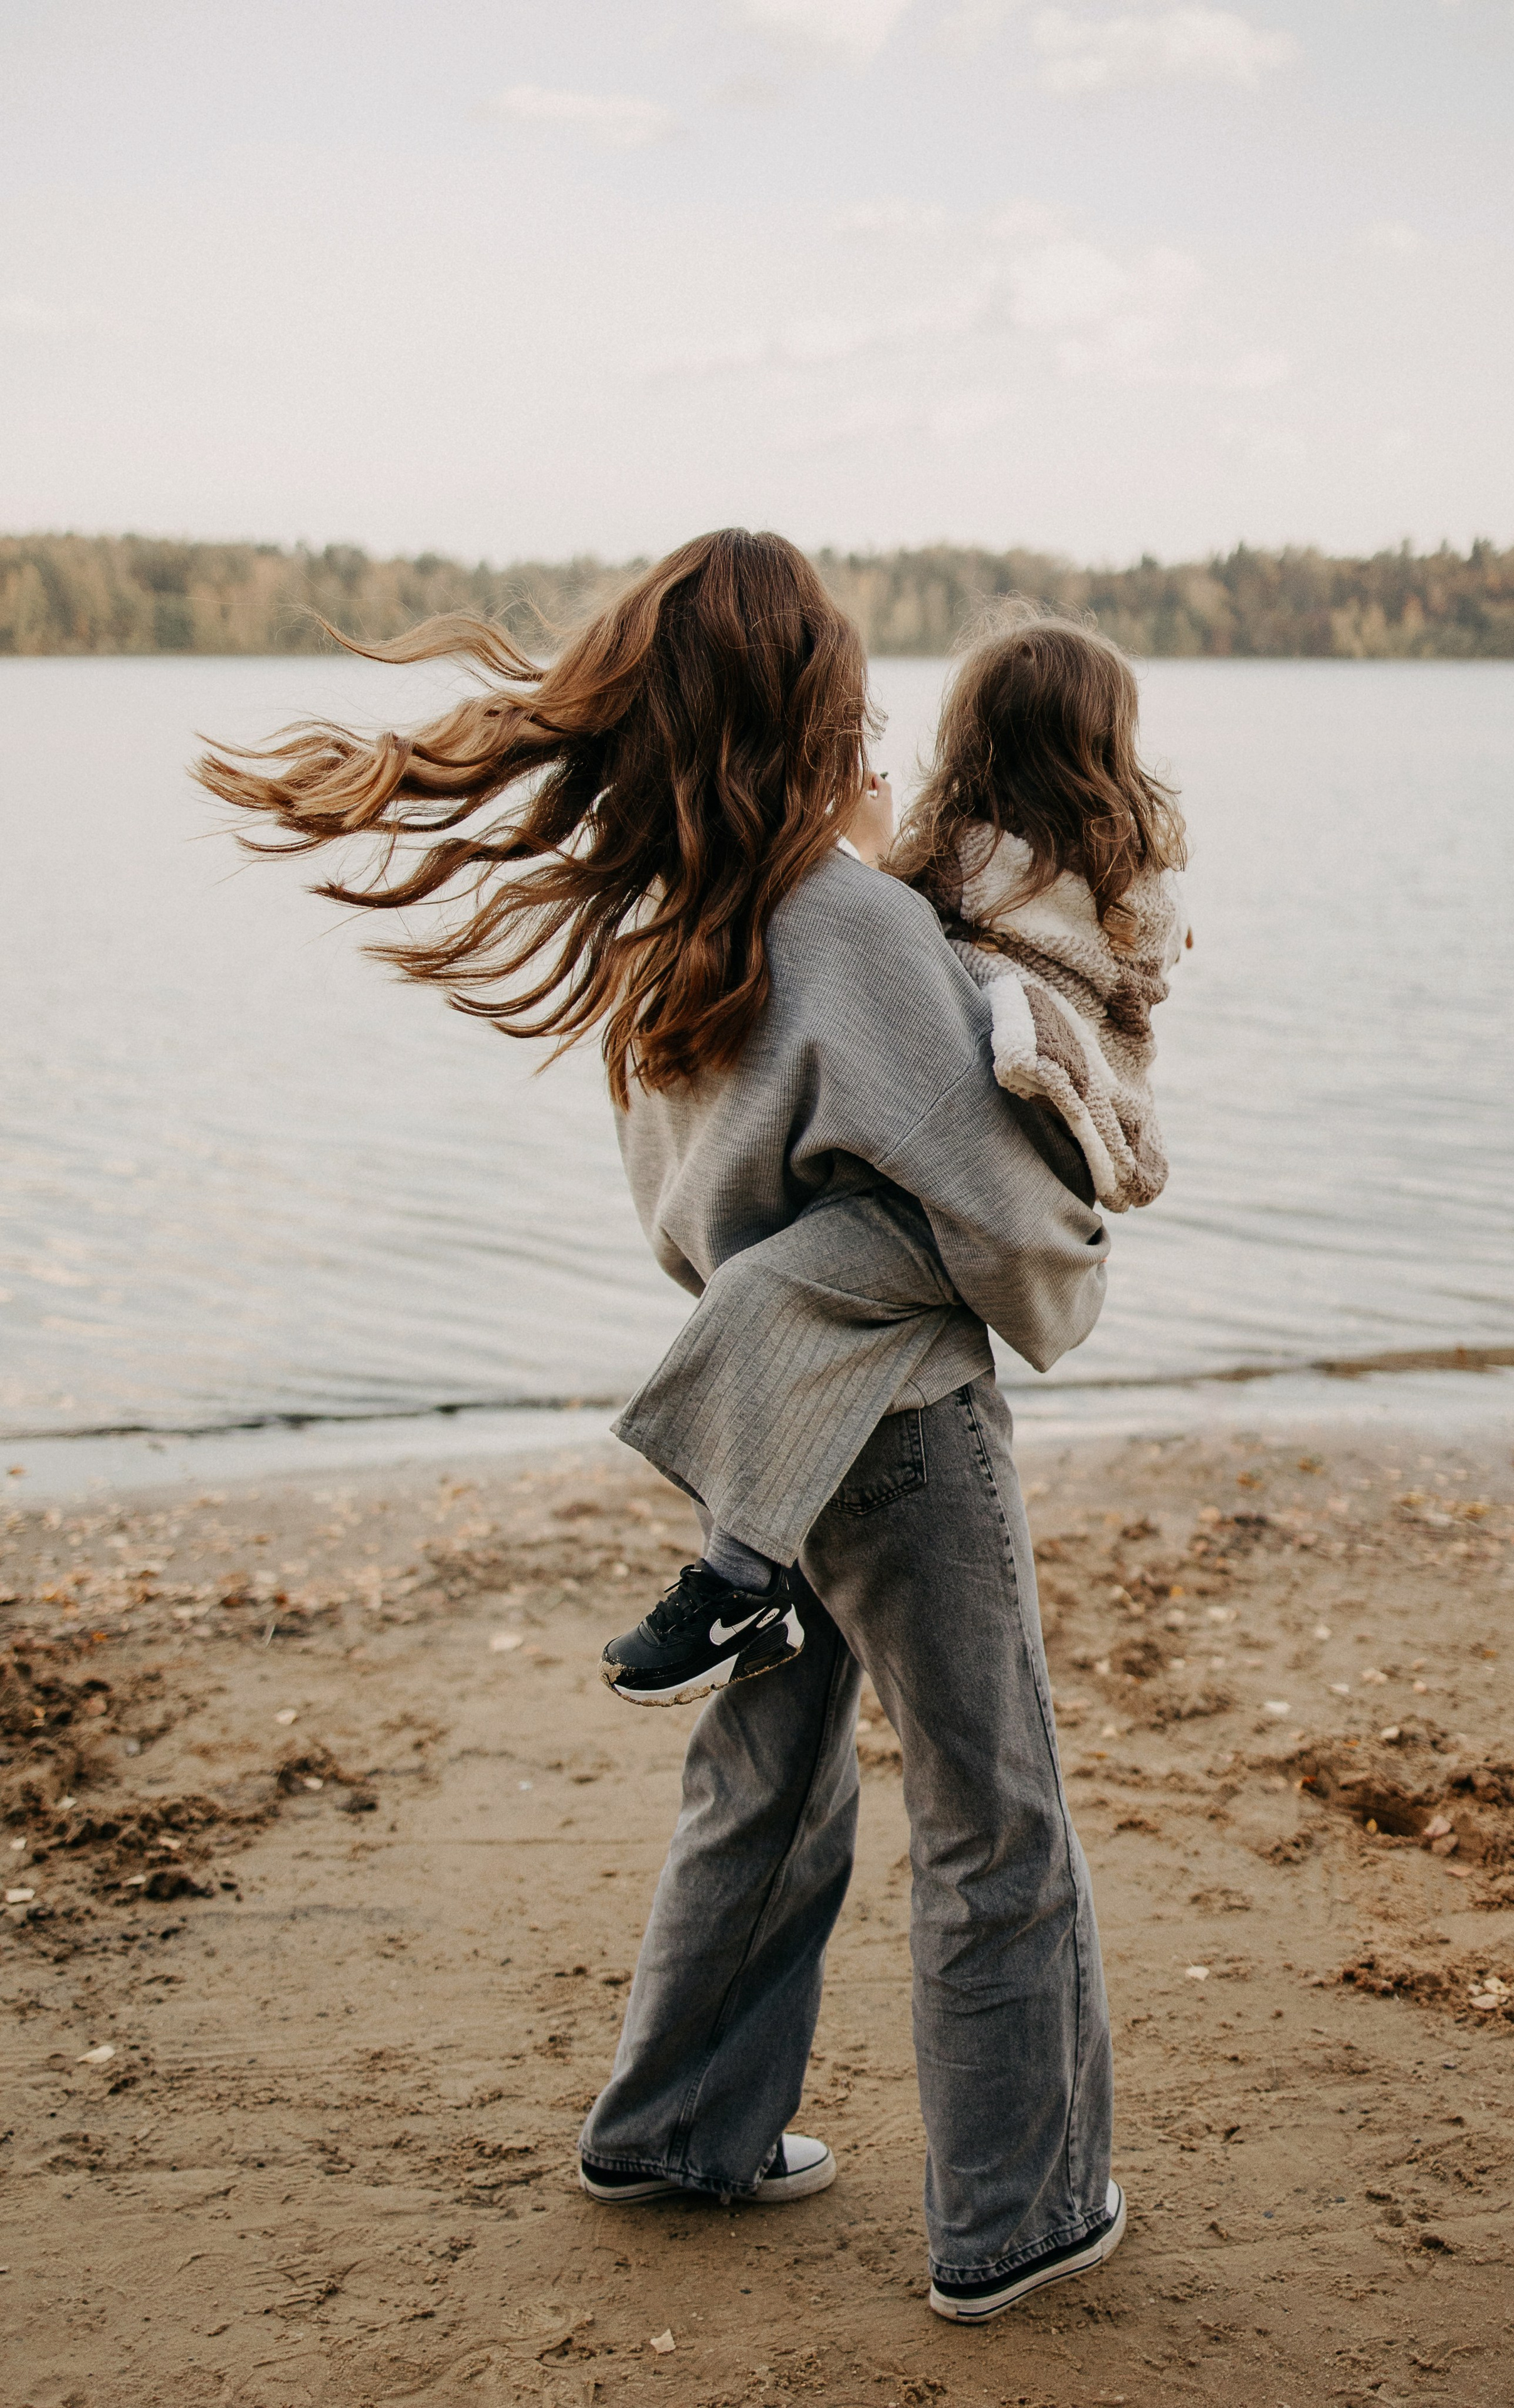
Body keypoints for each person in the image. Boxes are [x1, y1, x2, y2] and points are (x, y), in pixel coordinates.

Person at [195, 529, 1125, 2321]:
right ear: (798, 709)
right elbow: (1004, 1211)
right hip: (900, 1418)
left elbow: (698, 1208)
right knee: (991, 1812)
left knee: (766, 1784)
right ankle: (1023, 2211)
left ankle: (678, 2128)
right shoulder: (854, 924)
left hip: (761, 1426)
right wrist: (1075, 1262)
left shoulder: (663, 922)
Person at [597, 610, 1187, 1710]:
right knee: (965, 1782)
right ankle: (738, 1579)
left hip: (999, 1153)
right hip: (1014, 1195)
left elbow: (912, 960)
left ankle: (734, 1575)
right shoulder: (1095, 864)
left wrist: (863, 847)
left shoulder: (934, 858)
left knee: (774, 1287)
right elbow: (1130, 975)